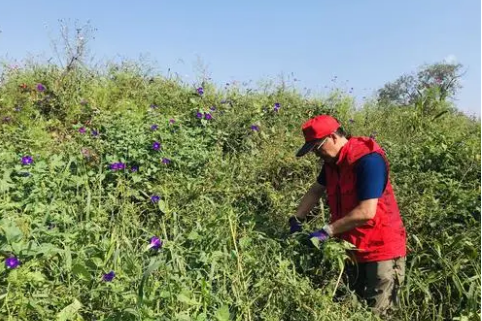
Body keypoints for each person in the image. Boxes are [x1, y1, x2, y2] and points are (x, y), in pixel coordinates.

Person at [289, 114, 407, 315]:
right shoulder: (332, 163)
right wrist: (296, 218)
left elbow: (366, 211)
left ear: (333, 137)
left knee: (379, 313)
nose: (317, 155)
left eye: (317, 148)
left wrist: (326, 232)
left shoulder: (368, 160)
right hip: (351, 249)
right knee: (353, 310)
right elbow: (316, 190)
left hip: (381, 252)